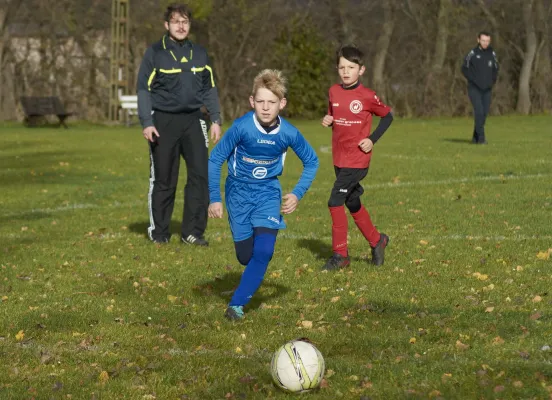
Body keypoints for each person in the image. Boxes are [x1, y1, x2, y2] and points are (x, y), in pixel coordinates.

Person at [208, 69, 319, 320]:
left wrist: (297, 193)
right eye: (261, 102)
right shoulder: (241, 127)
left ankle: (236, 305)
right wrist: (215, 197)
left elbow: (312, 161)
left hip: (268, 193)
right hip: (238, 194)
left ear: (282, 104)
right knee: (245, 255)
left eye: (272, 102)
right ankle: (250, 276)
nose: (266, 108)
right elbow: (215, 159)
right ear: (252, 102)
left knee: (265, 251)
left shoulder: (288, 133)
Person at [136, 3, 222, 245]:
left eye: (185, 22)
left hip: (195, 120)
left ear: (190, 25)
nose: (181, 26)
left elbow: (209, 88)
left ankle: (192, 232)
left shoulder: (201, 53)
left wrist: (215, 118)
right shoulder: (155, 53)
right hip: (163, 121)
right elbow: (143, 89)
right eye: (176, 22)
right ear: (167, 25)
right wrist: (147, 121)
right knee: (164, 179)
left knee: (199, 176)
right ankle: (160, 233)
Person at [320, 44, 394, 271]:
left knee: (334, 202)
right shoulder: (333, 91)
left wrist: (372, 139)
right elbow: (333, 114)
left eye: (351, 67)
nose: (346, 71)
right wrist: (328, 119)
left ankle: (340, 255)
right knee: (352, 202)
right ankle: (377, 241)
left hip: (357, 160)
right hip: (339, 158)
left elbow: (388, 116)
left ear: (361, 70)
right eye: (342, 67)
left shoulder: (367, 96)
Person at [461, 31, 499, 144]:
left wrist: (492, 80)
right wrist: (472, 80)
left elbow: (496, 68)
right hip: (474, 88)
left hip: (487, 89)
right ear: (478, 40)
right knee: (479, 112)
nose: (485, 43)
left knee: (484, 113)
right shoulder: (472, 53)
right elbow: (464, 68)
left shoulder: (492, 53)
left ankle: (475, 138)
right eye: (483, 40)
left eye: (487, 41)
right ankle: (481, 139)